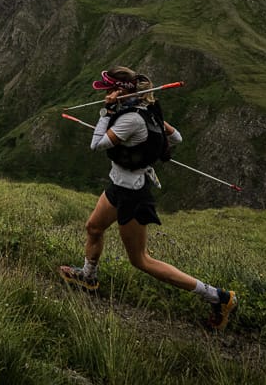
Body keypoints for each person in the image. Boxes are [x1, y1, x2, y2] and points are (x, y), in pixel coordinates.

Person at [58, 66, 237, 331]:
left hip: (132, 194)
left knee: (140, 260)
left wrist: (106, 112)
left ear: (121, 91)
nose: (105, 93)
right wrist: (151, 132)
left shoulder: (132, 119)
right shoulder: (144, 111)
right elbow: (176, 137)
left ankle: (219, 297)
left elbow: (96, 145)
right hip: (119, 186)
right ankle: (88, 276)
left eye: (109, 89)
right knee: (94, 228)